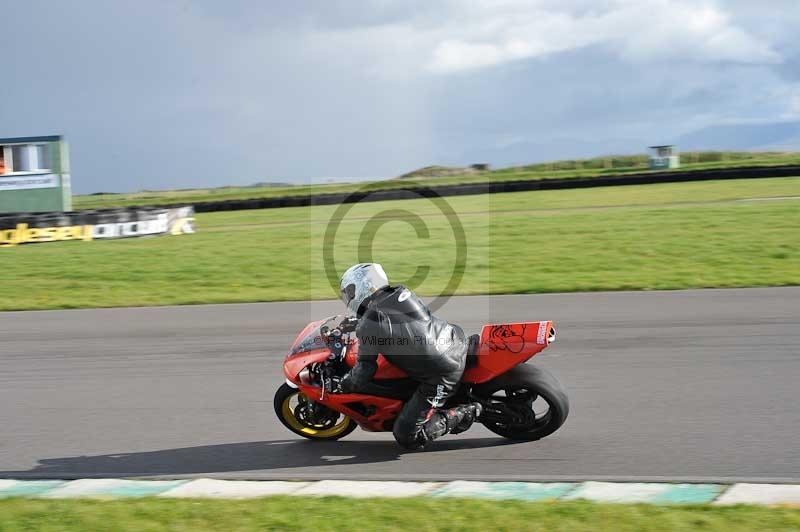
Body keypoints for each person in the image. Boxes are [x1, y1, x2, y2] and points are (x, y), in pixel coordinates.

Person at [338, 263, 482, 449]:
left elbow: (366, 369)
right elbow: (400, 320)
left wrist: (345, 384)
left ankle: (469, 411)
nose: (349, 296)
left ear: (364, 287)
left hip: (442, 372)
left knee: (407, 436)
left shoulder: (370, 324)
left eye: (350, 291)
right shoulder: (400, 292)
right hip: (453, 339)